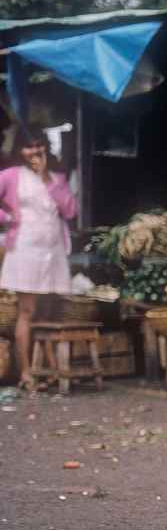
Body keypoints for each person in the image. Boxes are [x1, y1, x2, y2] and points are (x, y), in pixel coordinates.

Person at [0, 126, 77, 389]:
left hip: (53, 251)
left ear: (45, 146)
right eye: (28, 146)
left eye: (38, 145)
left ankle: (49, 370)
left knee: (48, 312)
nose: (34, 151)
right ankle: (26, 372)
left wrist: (46, 178)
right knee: (27, 311)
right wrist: (7, 218)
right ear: (19, 150)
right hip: (24, 250)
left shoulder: (58, 176)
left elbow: (70, 210)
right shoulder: (10, 176)